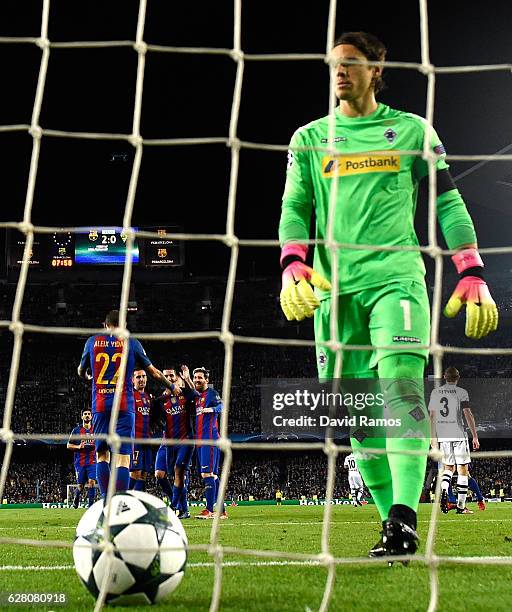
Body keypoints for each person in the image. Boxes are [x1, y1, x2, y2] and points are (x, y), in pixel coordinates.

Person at [278, 31, 498, 560]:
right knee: (357, 418)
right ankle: (391, 528)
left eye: (350, 63)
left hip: (397, 280)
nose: (339, 72)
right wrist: (293, 265)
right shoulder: (309, 137)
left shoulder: (410, 130)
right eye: (333, 64)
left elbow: (448, 201)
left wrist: (471, 268)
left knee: (400, 390)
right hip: (333, 293)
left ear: (376, 71)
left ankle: (405, 516)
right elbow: (295, 207)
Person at [77, 309, 176, 498]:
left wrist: (88, 375)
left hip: (100, 406)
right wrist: (171, 386)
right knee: (123, 459)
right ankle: (120, 502)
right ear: (125, 326)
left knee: (102, 455)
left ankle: (107, 500)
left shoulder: (92, 342)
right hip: (124, 406)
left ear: (105, 326)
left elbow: (81, 370)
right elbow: (154, 373)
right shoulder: (132, 343)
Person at [429, 367, 480, 515]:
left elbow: (432, 416)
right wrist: (475, 436)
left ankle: (445, 490)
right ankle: (461, 506)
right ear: (458, 377)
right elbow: (467, 414)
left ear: (445, 377)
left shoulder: (435, 393)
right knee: (462, 470)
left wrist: (433, 438)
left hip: (443, 435)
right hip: (458, 434)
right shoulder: (461, 392)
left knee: (448, 469)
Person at [153, 366, 195, 519]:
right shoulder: (161, 400)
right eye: (166, 376)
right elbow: (151, 418)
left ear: (177, 378)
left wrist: (188, 379)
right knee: (159, 474)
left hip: (185, 441)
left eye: (172, 376)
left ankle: (178, 508)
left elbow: (196, 396)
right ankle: (175, 501)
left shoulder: (185, 395)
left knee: (179, 473)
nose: (169, 379)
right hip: (167, 442)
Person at [192, 367, 227, 520]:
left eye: (200, 377)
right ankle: (222, 511)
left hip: (210, 440)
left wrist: (211, 409)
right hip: (200, 441)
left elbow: (222, 406)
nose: (197, 380)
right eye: (195, 378)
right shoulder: (197, 396)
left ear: (206, 380)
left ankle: (209, 510)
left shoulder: (212, 394)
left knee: (208, 474)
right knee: (212, 475)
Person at [67, 408, 96, 508]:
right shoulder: (76, 431)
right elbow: (68, 445)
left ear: (91, 417)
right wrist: (78, 447)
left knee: (91, 482)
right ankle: (76, 496)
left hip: (92, 461)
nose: (87, 415)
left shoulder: (95, 429)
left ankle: (91, 506)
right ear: (82, 417)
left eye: (89, 414)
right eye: (85, 414)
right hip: (80, 462)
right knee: (81, 486)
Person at [129, 369, 153, 491]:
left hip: (146, 440)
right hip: (135, 440)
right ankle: (122, 500)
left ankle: (139, 503)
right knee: (135, 472)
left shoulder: (148, 396)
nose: (142, 379)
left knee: (143, 473)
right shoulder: (130, 395)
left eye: (144, 376)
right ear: (132, 380)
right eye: (138, 377)